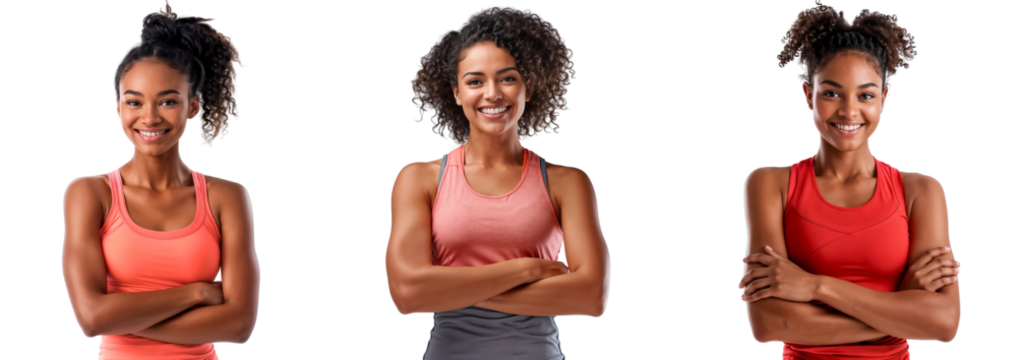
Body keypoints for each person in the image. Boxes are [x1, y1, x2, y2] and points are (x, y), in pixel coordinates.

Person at [62, 3, 251, 359]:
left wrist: (118, 315)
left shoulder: (227, 196)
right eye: (134, 103)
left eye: (167, 101)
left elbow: (239, 324)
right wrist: (194, 293)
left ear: (192, 107)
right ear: (118, 108)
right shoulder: (89, 194)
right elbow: (90, 318)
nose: (149, 117)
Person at [403, 4, 582, 359]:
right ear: (455, 92)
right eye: (475, 81)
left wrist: (448, 289)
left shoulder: (567, 182)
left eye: (508, 78)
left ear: (528, 87)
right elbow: (408, 294)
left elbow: (590, 298)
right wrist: (526, 269)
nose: (492, 93)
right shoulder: (419, 178)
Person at [767, 3, 921, 358]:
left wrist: (812, 286)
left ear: (883, 99)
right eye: (832, 93)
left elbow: (944, 322)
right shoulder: (771, 185)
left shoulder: (919, 191)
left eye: (865, 95)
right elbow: (769, 324)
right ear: (808, 95)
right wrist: (902, 311)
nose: (850, 111)